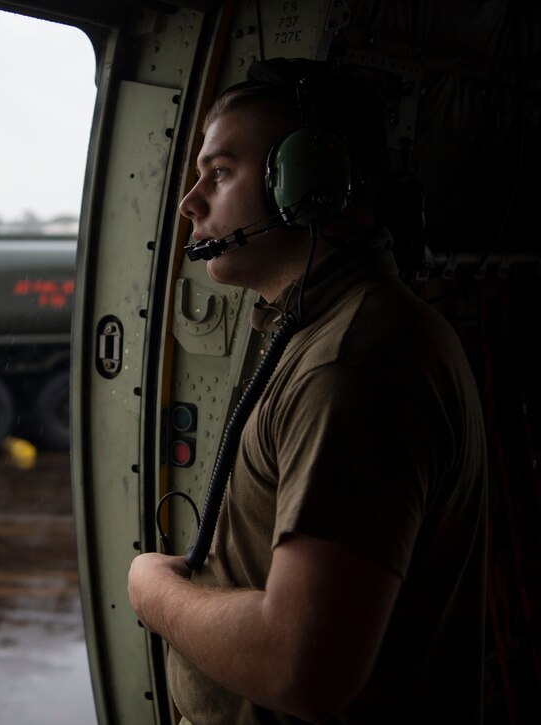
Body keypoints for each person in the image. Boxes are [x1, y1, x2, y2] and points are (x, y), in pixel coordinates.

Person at [127, 58, 488, 724]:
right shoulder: (323, 330)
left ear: (308, 186)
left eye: (221, 172)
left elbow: (301, 666)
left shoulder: (352, 363)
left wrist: (155, 592)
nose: (190, 203)